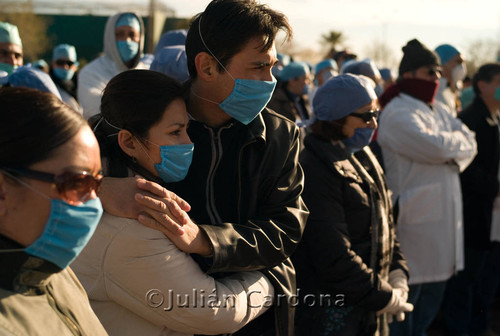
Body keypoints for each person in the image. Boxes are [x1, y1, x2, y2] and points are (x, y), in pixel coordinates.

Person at [98, 1, 308, 334]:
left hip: (255, 318)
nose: (269, 81)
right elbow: (37, 178)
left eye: (272, 66)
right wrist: (96, 187)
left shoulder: (281, 135)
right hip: (161, 317)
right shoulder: (138, 119)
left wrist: (207, 241)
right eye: (257, 67)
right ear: (207, 66)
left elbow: (285, 228)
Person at [72, 69, 273, 335]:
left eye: (187, 130)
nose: (189, 143)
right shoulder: (133, 226)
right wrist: (268, 283)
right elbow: (212, 311)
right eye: (176, 132)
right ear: (129, 142)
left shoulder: (107, 193)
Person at [292, 74, 411, 336]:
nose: (373, 123)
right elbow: (333, 253)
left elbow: (384, 221)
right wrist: (383, 296)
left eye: (376, 113)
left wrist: (397, 272)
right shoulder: (315, 167)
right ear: (336, 118)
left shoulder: (362, 154)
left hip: (367, 303)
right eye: (366, 116)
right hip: (333, 311)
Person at [377, 38, 477, 336]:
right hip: (414, 226)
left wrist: (450, 150)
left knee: (427, 312)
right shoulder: (397, 112)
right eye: (428, 72)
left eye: (437, 72)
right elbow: (434, 147)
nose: (436, 77)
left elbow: (470, 141)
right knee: (405, 313)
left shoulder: (438, 109)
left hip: (442, 226)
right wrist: (451, 150)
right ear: (408, 75)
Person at [0, 87, 107, 335]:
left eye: (98, 183)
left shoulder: (50, 270)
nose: (94, 202)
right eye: (76, 183)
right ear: (3, 191)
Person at [442, 63, 500, 336]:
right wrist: (494, 187)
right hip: (473, 214)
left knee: (485, 281)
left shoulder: (494, 118)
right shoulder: (471, 120)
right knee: (466, 282)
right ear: (482, 85)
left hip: (491, 216)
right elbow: (466, 168)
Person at [78, 12, 149, 120]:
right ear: (110, 37)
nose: (127, 40)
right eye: (120, 34)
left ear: (140, 38)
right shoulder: (91, 72)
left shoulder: (148, 71)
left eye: (132, 34)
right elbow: (98, 109)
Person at [434, 44, 467, 116]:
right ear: (442, 63)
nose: (462, 67)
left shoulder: (452, 89)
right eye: (458, 61)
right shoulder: (435, 91)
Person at [49, 44, 81, 113]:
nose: (65, 66)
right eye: (60, 63)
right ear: (52, 64)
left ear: (75, 65)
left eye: (69, 63)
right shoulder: (46, 87)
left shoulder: (83, 87)